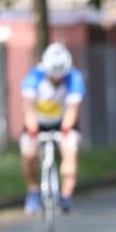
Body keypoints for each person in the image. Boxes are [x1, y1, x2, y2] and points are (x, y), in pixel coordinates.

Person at [20, 43, 85, 214]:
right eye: (53, 76)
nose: (57, 79)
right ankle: (33, 191)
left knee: (70, 149)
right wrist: (33, 130)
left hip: (62, 122)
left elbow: (72, 110)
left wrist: (65, 131)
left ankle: (65, 195)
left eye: (60, 76)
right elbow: (28, 108)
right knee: (29, 151)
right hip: (38, 122)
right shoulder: (34, 77)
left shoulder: (74, 78)